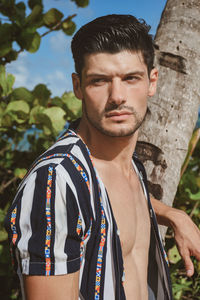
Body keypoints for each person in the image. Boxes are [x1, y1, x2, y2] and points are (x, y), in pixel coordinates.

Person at [5, 14, 200, 300]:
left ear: (152, 81)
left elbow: (105, 203)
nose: (117, 95)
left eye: (131, 78)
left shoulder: (132, 168)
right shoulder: (55, 181)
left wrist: (172, 214)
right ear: (78, 86)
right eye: (99, 81)